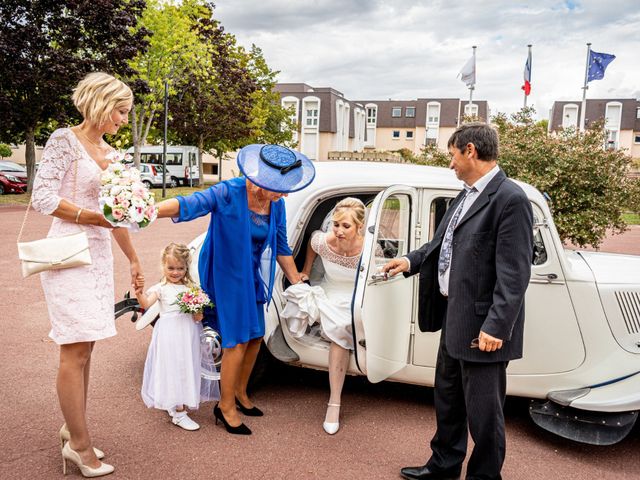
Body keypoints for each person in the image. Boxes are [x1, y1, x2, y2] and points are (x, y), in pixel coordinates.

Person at [383, 123, 533, 480]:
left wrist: (496, 326)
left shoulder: (510, 199)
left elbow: (514, 273)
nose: (450, 164)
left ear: (470, 150)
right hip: (454, 316)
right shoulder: (463, 195)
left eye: (452, 155)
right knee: (448, 400)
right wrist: (410, 260)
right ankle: (443, 466)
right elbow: (441, 245)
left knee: (484, 414)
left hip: (483, 327)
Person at [154, 144, 315, 435]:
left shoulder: (275, 204)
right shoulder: (228, 191)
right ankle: (224, 406)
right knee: (237, 340)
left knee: (255, 336)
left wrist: (295, 279)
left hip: (251, 272)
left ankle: (240, 393)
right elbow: (189, 204)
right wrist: (147, 211)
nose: (285, 194)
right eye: (279, 188)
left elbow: (280, 243)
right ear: (259, 181)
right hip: (225, 273)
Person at [31, 72, 141, 477]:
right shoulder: (64, 140)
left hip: (97, 258)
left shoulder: (112, 154)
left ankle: (71, 427)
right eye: (121, 111)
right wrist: (93, 216)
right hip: (67, 252)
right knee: (74, 349)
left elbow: (118, 215)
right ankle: (79, 444)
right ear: (101, 103)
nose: (124, 120)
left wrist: (133, 259)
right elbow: (42, 197)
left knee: (87, 349)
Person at [282, 197, 366, 435]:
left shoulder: (369, 248)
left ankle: (334, 401)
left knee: (341, 324)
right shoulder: (323, 241)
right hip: (329, 290)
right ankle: (334, 402)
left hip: (353, 296)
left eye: (345, 226)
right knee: (301, 301)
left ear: (359, 227)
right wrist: (307, 270)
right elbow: (311, 243)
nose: (338, 231)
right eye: (336, 225)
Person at [135, 243, 219, 431]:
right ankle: (179, 413)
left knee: (185, 365)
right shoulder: (161, 288)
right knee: (172, 366)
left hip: (188, 332)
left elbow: (198, 318)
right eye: (171, 268)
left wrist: (198, 308)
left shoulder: (191, 287)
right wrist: (139, 293)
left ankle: (176, 402)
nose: (175, 272)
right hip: (169, 333)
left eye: (180, 268)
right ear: (163, 266)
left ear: (186, 268)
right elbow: (147, 303)